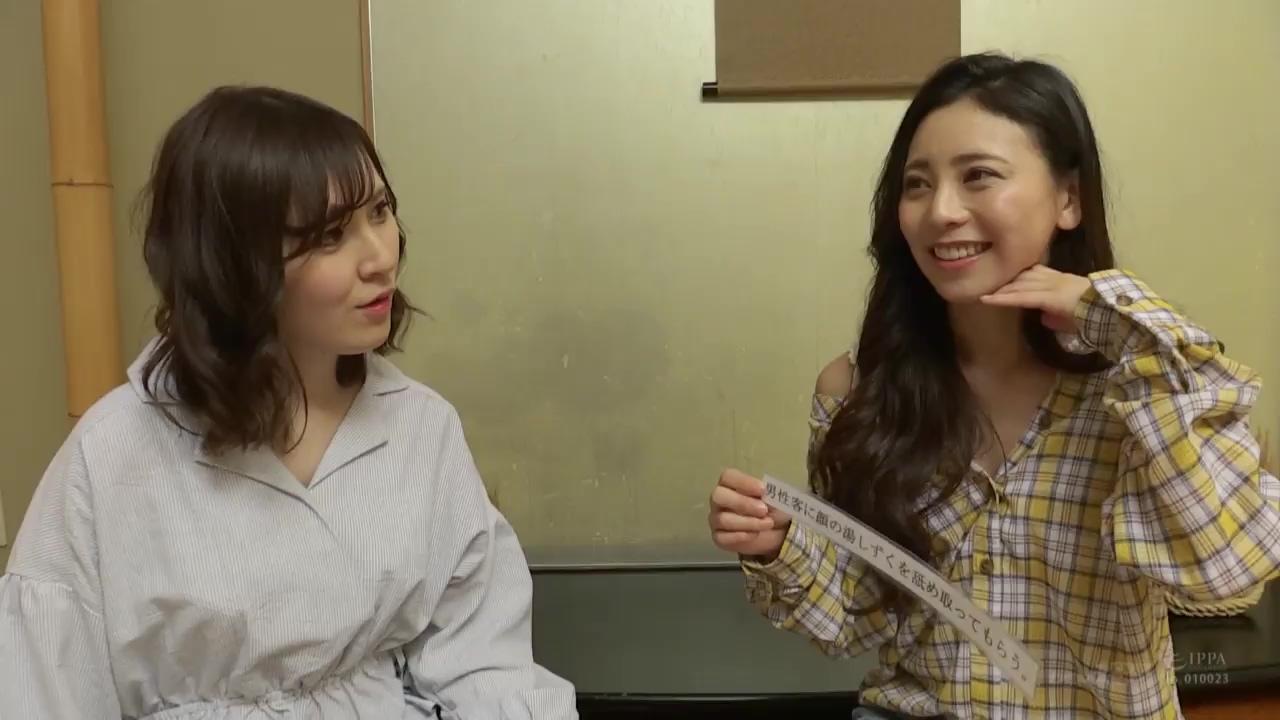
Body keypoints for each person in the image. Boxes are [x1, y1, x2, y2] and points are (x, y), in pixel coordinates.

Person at [707, 53, 1280, 719]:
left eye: (978, 176)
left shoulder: (1142, 386)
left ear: (1069, 198)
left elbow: (1226, 576)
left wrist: (1114, 318)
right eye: (917, 185)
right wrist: (780, 547)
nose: (942, 211)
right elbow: (859, 620)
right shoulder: (860, 390)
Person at [0, 86, 578, 719]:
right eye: (330, 235)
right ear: (233, 265)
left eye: (380, 211)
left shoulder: (420, 427)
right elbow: (43, 689)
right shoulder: (113, 454)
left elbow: (484, 663)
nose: (380, 258)